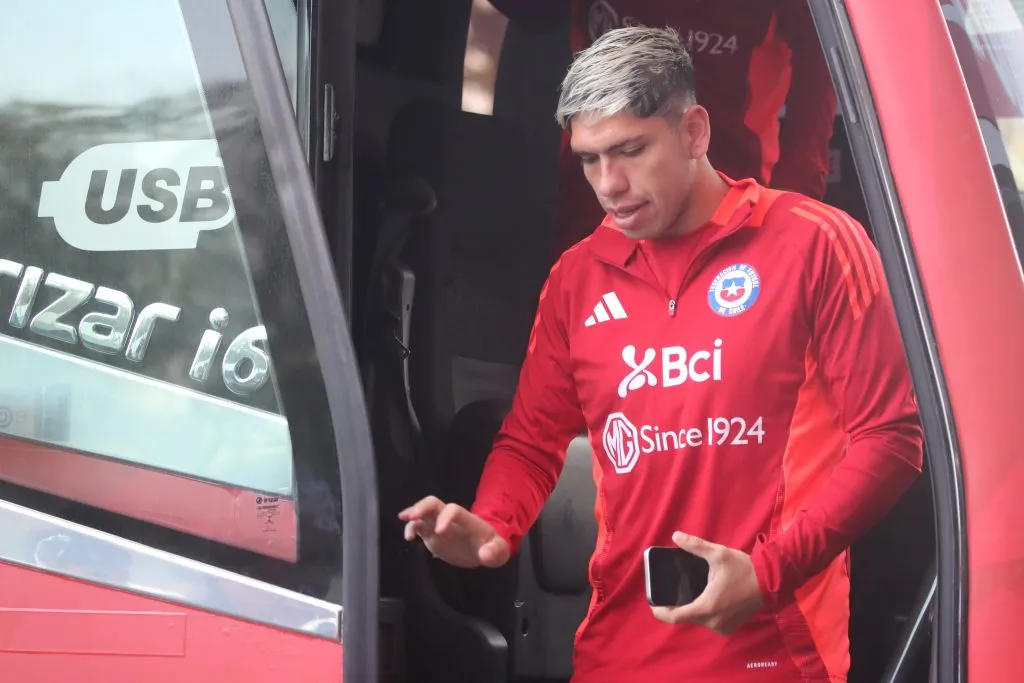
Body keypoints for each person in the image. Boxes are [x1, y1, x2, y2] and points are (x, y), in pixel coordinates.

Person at [401, 26, 923, 682]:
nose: (609, 184)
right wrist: (492, 524)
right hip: (615, 657)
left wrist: (768, 572)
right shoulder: (576, 277)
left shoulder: (813, 243)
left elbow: (892, 439)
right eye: (589, 159)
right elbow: (532, 442)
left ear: (695, 132)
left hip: (772, 654)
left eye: (630, 150)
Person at [484, 0, 839, 249]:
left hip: (726, 208)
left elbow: (823, 51)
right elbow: (534, 13)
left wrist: (797, 199)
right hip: (594, 209)